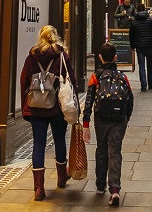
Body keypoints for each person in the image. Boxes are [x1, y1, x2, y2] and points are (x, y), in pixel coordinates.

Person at [19, 25, 78, 201]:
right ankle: (61, 177)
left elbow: (24, 81)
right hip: (57, 107)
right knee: (59, 140)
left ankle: (39, 188)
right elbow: (72, 79)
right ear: (55, 37)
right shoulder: (61, 55)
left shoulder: (31, 57)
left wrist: (26, 104)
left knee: (39, 143)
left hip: (36, 108)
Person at [83, 42, 134, 206]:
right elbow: (130, 99)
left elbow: (89, 101)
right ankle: (115, 189)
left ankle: (100, 185)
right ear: (115, 57)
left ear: (100, 58)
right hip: (119, 119)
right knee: (115, 151)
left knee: (102, 149)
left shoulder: (95, 77)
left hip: (101, 119)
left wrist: (85, 124)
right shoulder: (122, 76)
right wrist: (126, 118)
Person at [129, 3, 152, 92]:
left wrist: (132, 45)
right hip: (148, 44)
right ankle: (150, 84)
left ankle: (143, 85)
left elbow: (131, 35)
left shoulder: (134, 21)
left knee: (141, 65)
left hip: (139, 46)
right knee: (149, 64)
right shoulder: (150, 20)